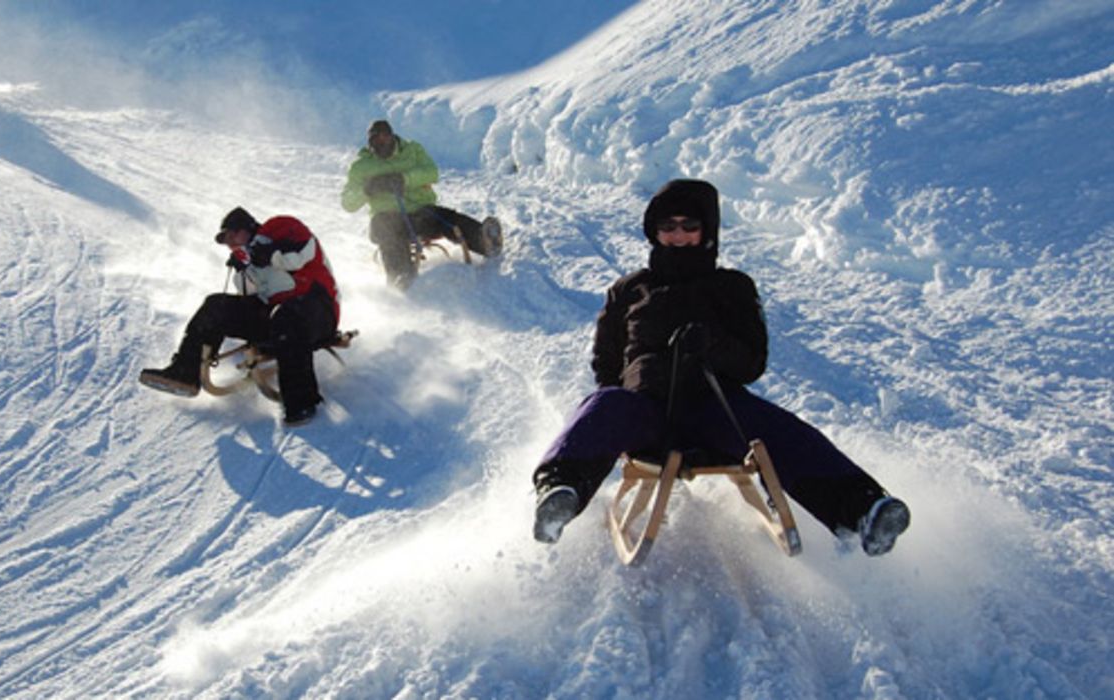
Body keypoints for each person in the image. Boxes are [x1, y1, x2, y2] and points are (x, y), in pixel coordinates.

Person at [532, 179, 911, 556]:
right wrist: (623, 402)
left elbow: (753, 363)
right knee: (604, 403)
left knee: (773, 427)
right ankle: (559, 492)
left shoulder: (733, 287)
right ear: (654, 232)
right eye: (667, 227)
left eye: (689, 226)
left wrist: (712, 345)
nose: (678, 236)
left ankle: (862, 509)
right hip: (646, 410)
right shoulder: (629, 289)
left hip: (713, 407)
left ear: (707, 231)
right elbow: (606, 361)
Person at [140, 207, 340, 427]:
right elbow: (250, 294)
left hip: (316, 308)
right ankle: (185, 372)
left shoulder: (280, 227)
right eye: (227, 241)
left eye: (233, 235)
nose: (231, 243)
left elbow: (301, 255)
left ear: (248, 228)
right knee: (217, 305)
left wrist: (269, 255)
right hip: (276, 318)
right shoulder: (251, 259)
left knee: (288, 315)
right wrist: (243, 269)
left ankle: (301, 401)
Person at [341, 119, 503, 289]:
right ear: (370, 143)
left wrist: (405, 179)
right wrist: (368, 189)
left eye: (385, 138)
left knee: (444, 217)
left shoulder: (412, 150)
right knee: (385, 227)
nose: (381, 144)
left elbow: (432, 172)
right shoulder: (361, 167)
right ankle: (400, 276)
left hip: (419, 211)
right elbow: (347, 203)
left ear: (392, 137)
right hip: (387, 217)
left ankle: (482, 239)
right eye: (376, 141)